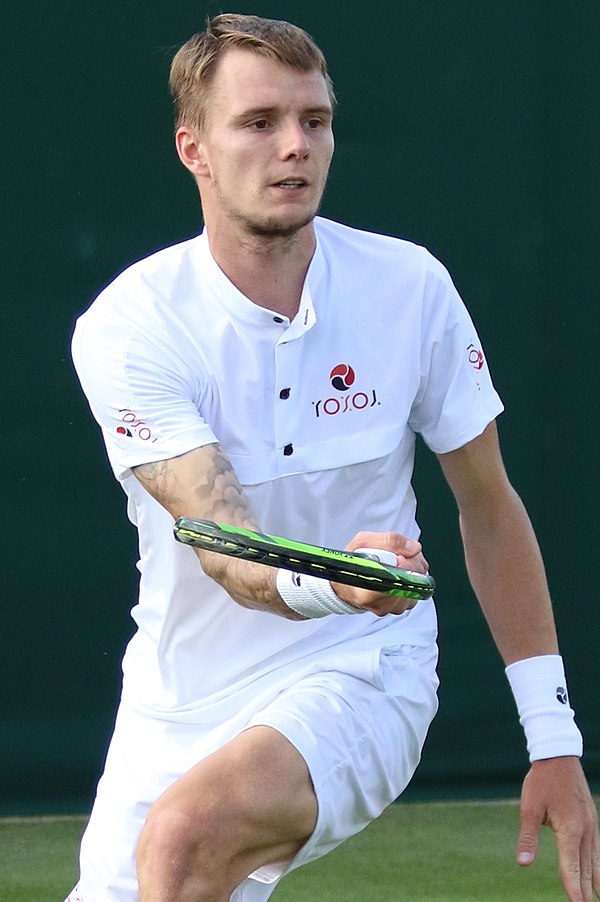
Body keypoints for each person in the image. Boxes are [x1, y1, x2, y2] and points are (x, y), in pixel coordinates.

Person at [65, 12, 599, 902]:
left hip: (364, 666)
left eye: (314, 121)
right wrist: (331, 573)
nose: (295, 147)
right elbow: (222, 542)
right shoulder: (130, 326)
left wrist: (554, 738)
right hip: (176, 699)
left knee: (188, 839)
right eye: (260, 122)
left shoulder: (411, 287)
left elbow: (489, 504)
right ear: (193, 149)